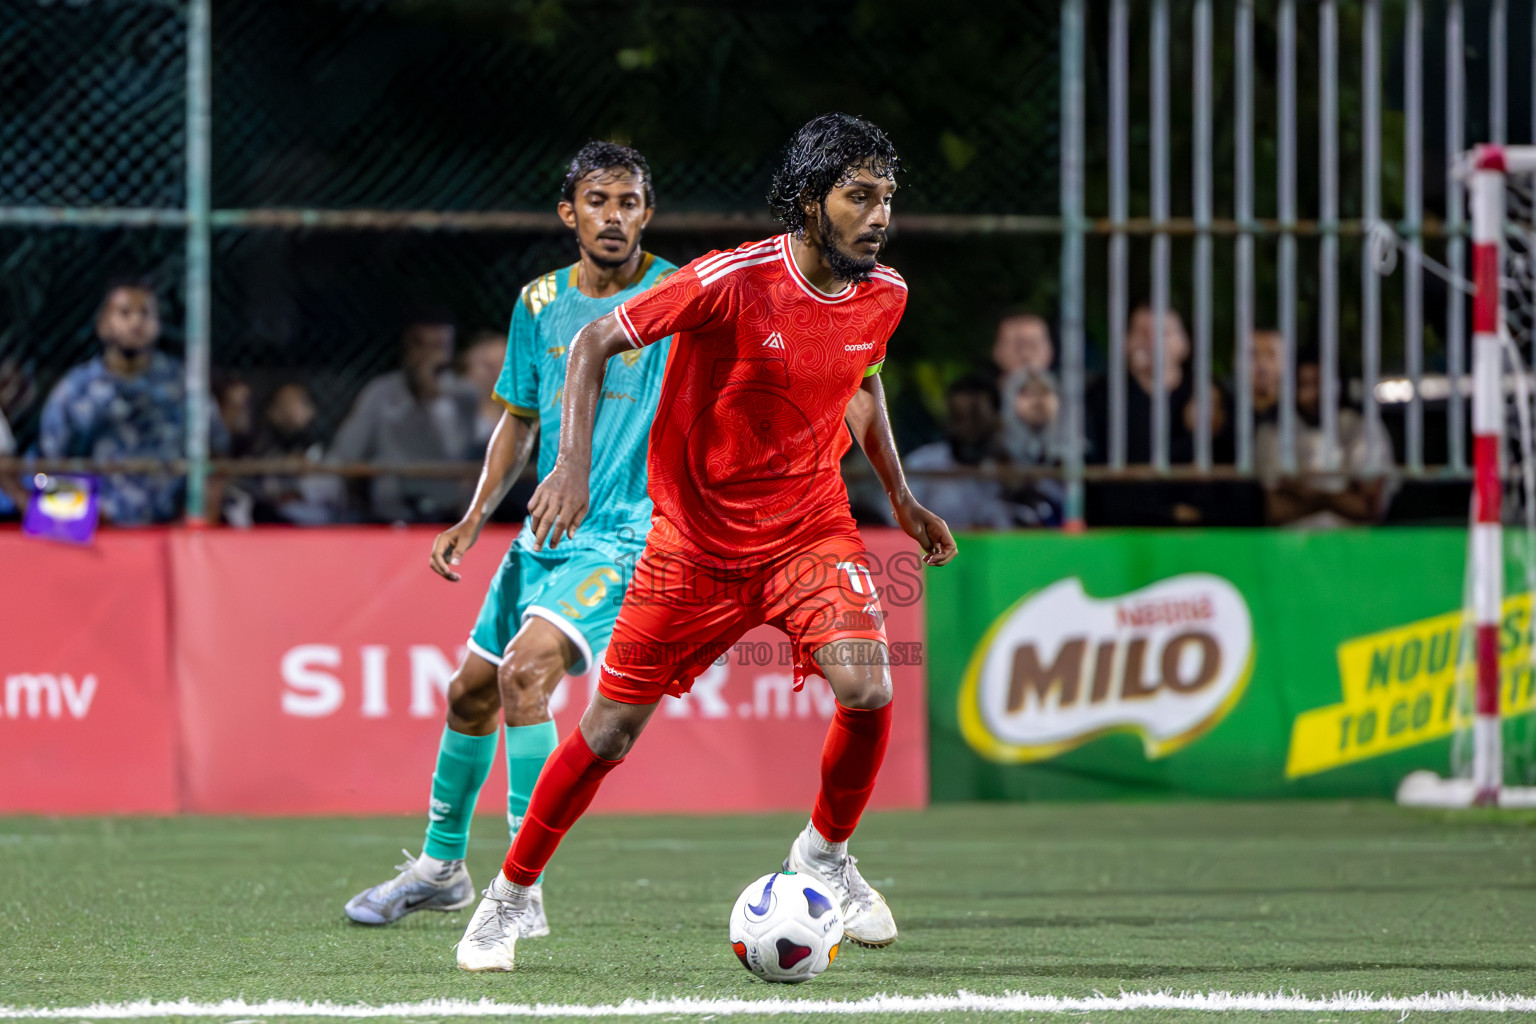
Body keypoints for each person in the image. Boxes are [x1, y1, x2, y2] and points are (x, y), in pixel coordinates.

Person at [453, 112, 957, 973]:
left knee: (869, 688)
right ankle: (507, 898)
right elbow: (591, 341)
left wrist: (902, 499)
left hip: (809, 530)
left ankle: (825, 858)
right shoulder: (729, 280)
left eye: (887, 199)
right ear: (810, 202)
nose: (879, 217)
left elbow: (860, 387)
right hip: (693, 544)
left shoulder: (886, 295)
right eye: (860, 197)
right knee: (609, 732)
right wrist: (570, 464)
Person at [343, 142, 678, 938]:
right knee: (469, 693)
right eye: (598, 200)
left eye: (629, 202)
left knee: (528, 675)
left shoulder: (675, 297)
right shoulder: (539, 303)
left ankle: (519, 888)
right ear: (571, 214)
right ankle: (441, 869)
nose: (614, 216)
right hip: (541, 534)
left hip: (624, 535)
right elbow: (520, 420)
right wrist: (474, 514)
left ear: (646, 214)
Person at [38, 276, 228, 525]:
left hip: (171, 530)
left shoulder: (183, 385)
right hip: (97, 533)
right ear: (104, 324)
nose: (136, 323)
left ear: (158, 324)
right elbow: (49, 465)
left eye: (145, 314)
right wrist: (84, 519)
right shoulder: (76, 389)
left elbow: (217, 452)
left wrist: (201, 514)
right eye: (124, 313)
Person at [328, 311, 477, 523]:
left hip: (450, 511)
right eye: (421, 346)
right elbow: (346, 452)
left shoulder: (464, 396)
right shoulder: (381, 393)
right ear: (408, 350)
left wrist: (434, 401)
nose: (431, 356)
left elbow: (467, 451)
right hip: (393, 509)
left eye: (439, 347)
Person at [1256, 345, 1395, 527]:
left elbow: (1368, 509)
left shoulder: (1362, 428)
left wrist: (1301, 492)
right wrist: (1340, 497)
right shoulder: (1273, 432)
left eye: (1322, 384)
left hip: (1354, 549)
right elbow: (1275, 511)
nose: (1316, 394)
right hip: (1291, 550)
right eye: (1306, 385)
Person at [903, 374, 1018, 529]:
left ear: (997, 418)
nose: (966, 427)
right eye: (959, 417)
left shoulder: (1014, 468)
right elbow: (897, 519)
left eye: (976, 417)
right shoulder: (923, 463)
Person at [243, 381, 343, 525]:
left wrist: (299, 491)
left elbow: (333, 491)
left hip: (317, 526)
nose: (288, 413)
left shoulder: (325, 450)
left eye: (296, 404)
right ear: (269, 412)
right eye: (281, 405)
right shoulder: (259, 452)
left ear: (311, 410)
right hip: (271, 524)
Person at [461, 330, 510, 453]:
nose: (496, 374)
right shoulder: (449, 411)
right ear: (468, 368)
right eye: (488, 366)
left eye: (502, 364)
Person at [991, 312, 1053, 381]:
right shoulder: (980, 389)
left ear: (1049, 350)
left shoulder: (1063, 388)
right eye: (1017, 347)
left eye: (1033, 346)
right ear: (997, 350)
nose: (1026, 355)